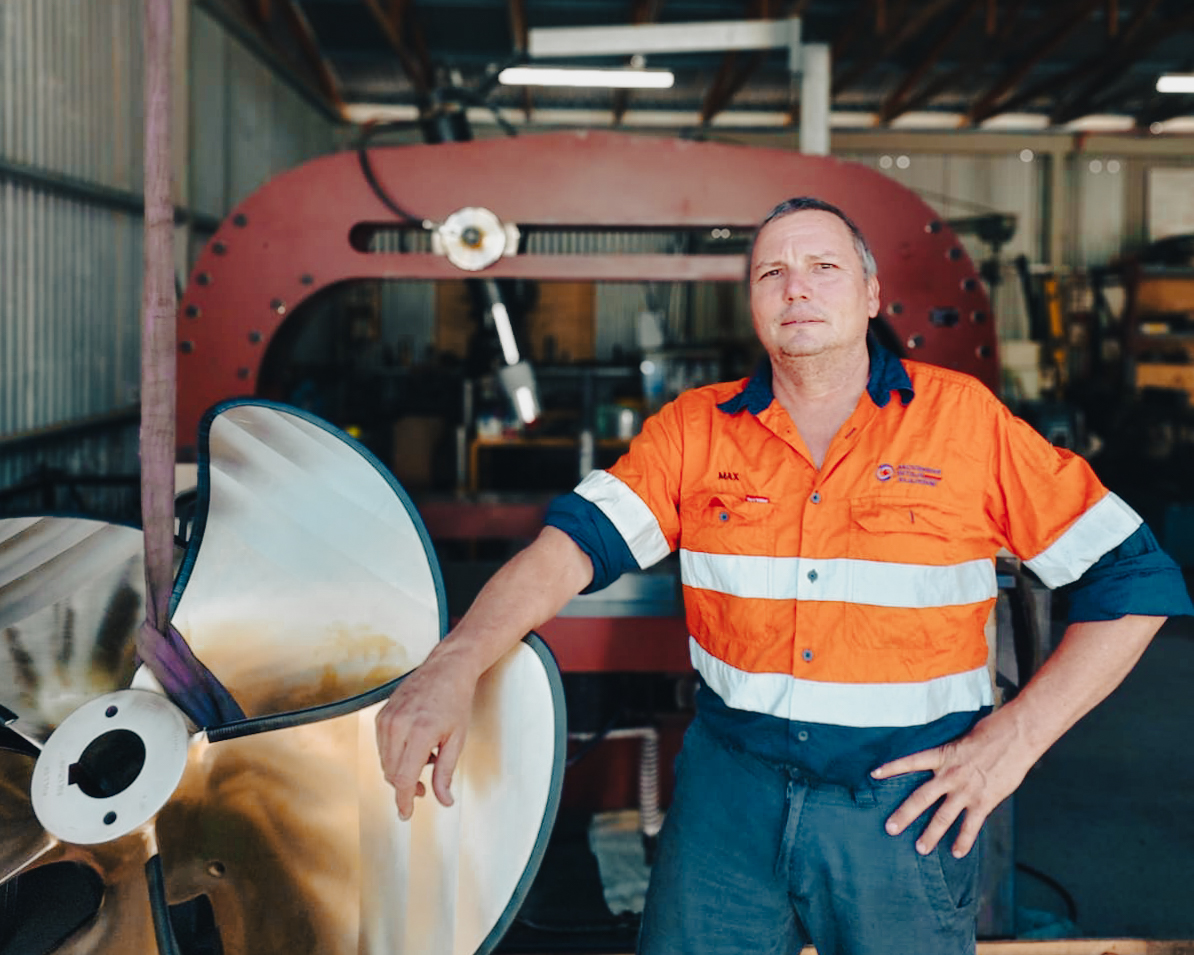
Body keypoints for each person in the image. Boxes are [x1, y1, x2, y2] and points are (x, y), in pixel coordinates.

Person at [376, 196, 1192, 955]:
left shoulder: (964, 421)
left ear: (872, 293)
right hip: (728, 802)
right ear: (755, 302)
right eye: (772, 272)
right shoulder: (694, 429)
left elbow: (1133, 579)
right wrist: (457, 660)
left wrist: (1015, 739)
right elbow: (571, 547)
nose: (796, 287)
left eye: (823, 267)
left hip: (904, 811)